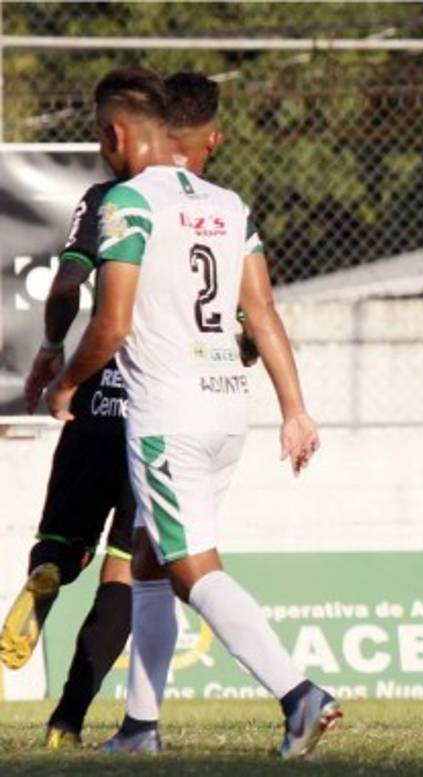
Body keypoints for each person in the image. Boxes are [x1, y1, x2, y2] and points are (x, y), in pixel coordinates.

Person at [42, 67, 336, 759]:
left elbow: (111, 323)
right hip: (227, 407)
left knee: (189, 565)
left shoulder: (127, 204)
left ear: (117, 134)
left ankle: (299, 695)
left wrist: (66, 385)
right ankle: (140, 727)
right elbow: (259, 309)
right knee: (147, 557)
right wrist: (294, 408)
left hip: (168, 413)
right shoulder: (228, 205)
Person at [0, 70, 246, 749]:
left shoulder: (105, 198)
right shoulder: (208, 209)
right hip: (160, 409)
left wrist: (53, 352)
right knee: (128, 570)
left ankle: (46, 574)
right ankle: (67, 720)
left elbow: (69, 284)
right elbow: (247, 319)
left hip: (95, 401)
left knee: (61, 539)